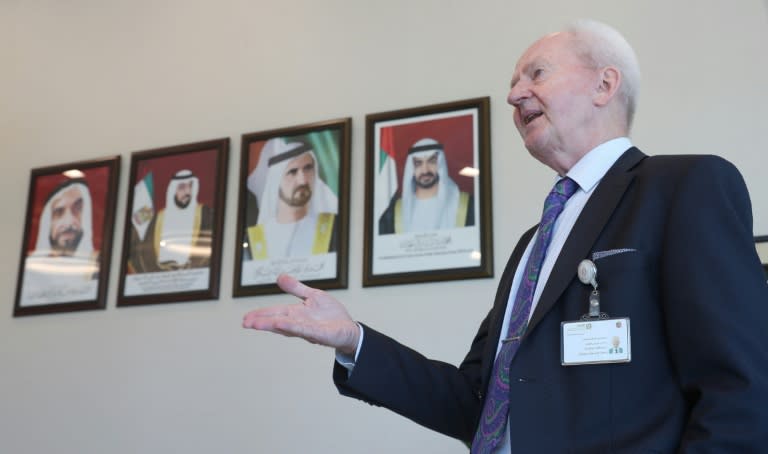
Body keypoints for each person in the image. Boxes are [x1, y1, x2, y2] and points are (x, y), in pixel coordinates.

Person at [242, 19, 768, 452]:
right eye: (514, 81)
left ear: (605, 85)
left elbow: (741, 390)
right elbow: (478, 400)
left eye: (535, 73)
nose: (515, 94)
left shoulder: (685, 187)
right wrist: (354, 340)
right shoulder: (532, 245)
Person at [244, 138, 338, 259]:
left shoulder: (334, 227)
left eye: (308, 168)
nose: (303, 180)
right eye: (293, 172)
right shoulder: (254, 240)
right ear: (275, 182)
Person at [21, 179, 99, 304]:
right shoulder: (26, 272)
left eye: (78, 209)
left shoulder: (100, 266)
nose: (68, 222)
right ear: (47, 223)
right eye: (58, 212)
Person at [379, 137, 474, 234]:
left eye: (431, 161)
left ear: (440, 164)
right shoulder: (394, 213)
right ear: (411, 169)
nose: (425, 170)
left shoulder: (466, 205)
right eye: (418, 163)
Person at [128, 169, 213, 272]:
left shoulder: (207, 215)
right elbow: (141, 254)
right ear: (173, 190)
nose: (187, 192)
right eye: (182, 187)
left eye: (190, 186)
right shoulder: (157, 219)